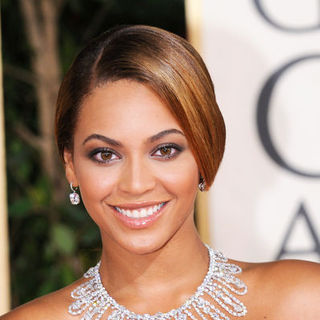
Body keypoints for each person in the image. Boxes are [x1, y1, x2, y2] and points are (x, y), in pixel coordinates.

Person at [1, 25, 319, 320]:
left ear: (205, 152)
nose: (136, 184)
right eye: (105, 154)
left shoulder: (302, 300)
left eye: (164, 150)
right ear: (70, 165)